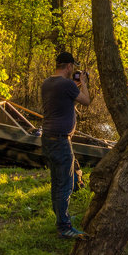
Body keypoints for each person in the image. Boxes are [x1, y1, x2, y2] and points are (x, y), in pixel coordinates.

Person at [41, 51, 91, 239]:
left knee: (57, 181)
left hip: (47, 138)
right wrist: (83, 84)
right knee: (66, 184)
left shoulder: (48, 83)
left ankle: (62, 218)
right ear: (69, 66)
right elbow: (86, 101)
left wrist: (75, 87)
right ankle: (64, 226)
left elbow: (64, 104)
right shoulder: (67, 84)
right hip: (61, 140)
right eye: (73, 67)